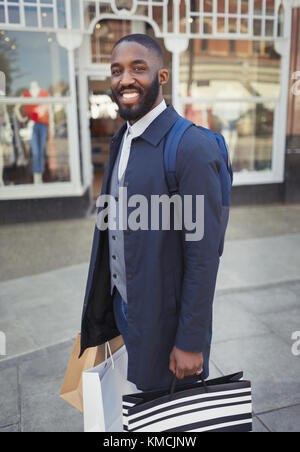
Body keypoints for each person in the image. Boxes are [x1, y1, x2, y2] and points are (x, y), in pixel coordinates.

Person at [79, 34, 223, 392]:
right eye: (116, 71)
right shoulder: (123, 138)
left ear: (162, 76)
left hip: (166, 320)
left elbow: (204, 257)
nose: (125, 79)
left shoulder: (192, 147)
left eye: (138, 68)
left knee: (169, 414)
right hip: (126, 308)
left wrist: (190, 340)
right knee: (142, 401)